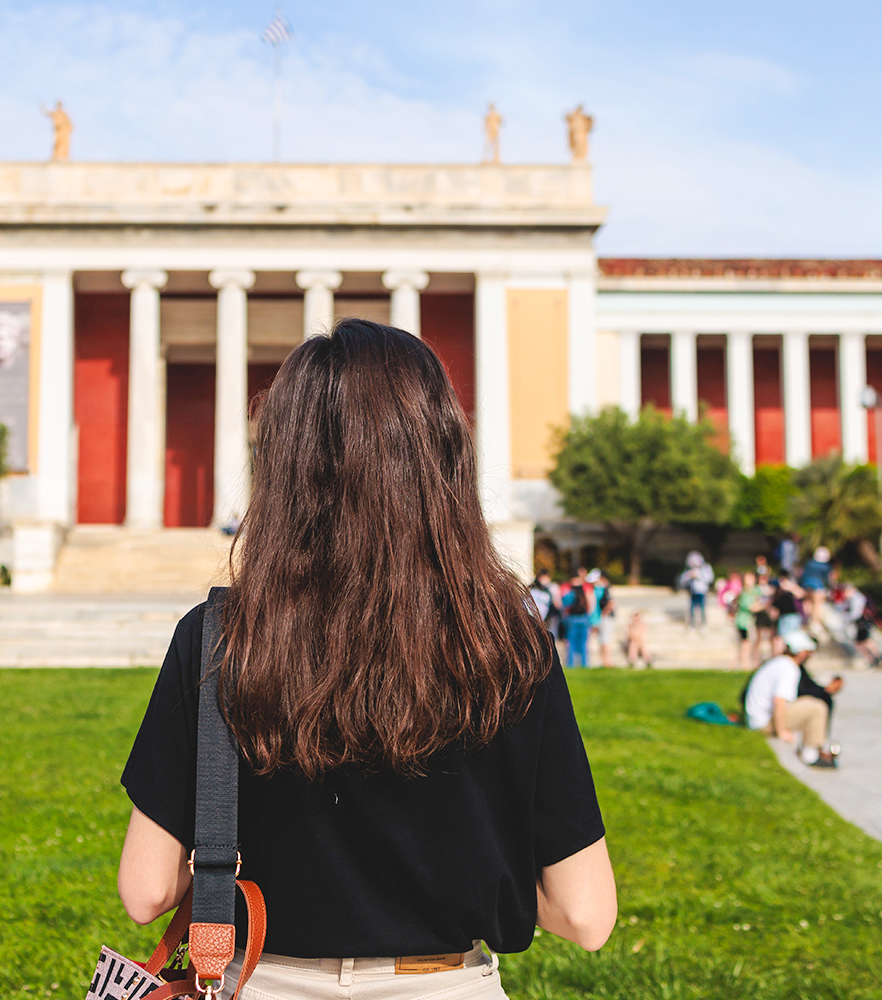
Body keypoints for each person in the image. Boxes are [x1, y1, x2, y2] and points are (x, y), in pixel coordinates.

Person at [117, 320, 617, 992]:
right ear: (441, 454)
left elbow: (146, 891)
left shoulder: (218, 636)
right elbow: (586, 915)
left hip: (257, 979)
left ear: (284, 463)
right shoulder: (507, 643)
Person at [742, 632, 838, 768]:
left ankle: (811, 748)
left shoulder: (778, 662)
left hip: (755, 719)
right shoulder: (789, 668)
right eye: (808, 651)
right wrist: (782, 732)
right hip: (762, 723)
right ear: (800, 652)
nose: (809, 654)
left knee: (809, 704)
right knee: (817, 708)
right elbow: (779, 701)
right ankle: (810, 754)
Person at [560, 566, 595, 667]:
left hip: (572, 617)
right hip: (583, 617)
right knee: (584, 642)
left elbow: (564, 604)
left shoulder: (568, 588)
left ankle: (570, 664)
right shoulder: (586, 588)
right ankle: (584, 663)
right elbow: (590, 603)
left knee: (571, 642)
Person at [733, 571, 768, 672]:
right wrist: (764, 605)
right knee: (746, 643)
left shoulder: (754, 591)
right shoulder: (745, 593)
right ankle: (744, 663)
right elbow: (751, 607)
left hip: (749, 621)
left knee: (749, 643)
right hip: (743, 622)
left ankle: (741, 662)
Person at [678, 552, 714, 632]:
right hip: (692, 591)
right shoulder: (689, 570)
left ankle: (703, 625)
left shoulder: (706, 568)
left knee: (702, 609)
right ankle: (692, 625)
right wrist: (689, 576)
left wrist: (698, 575)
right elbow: (682, 581)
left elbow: (709, 579)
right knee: (692, 609)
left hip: (702, 592)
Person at [800, 546, 833, 632]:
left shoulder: (809, 563)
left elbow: (803, 575)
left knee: (808, 602)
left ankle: (807, 621)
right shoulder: (825, 566)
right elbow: (827, 579)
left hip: (807, 586)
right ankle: (816, 623)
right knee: (818, 605)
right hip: (819, 587)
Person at [588, 569, 614, 668]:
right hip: (599, 618)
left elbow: (610, 602)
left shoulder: (604, 589)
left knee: (605, 640)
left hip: (604, 618)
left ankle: (606, 662)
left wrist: (604, 614)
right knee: (601, 640)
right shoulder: (598, 589)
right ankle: (603, 661)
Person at [529, 569, 561, 640]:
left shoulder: (550, 588)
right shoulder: (533, 589)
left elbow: (556, 604)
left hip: (547, 617)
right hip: (535, 617)